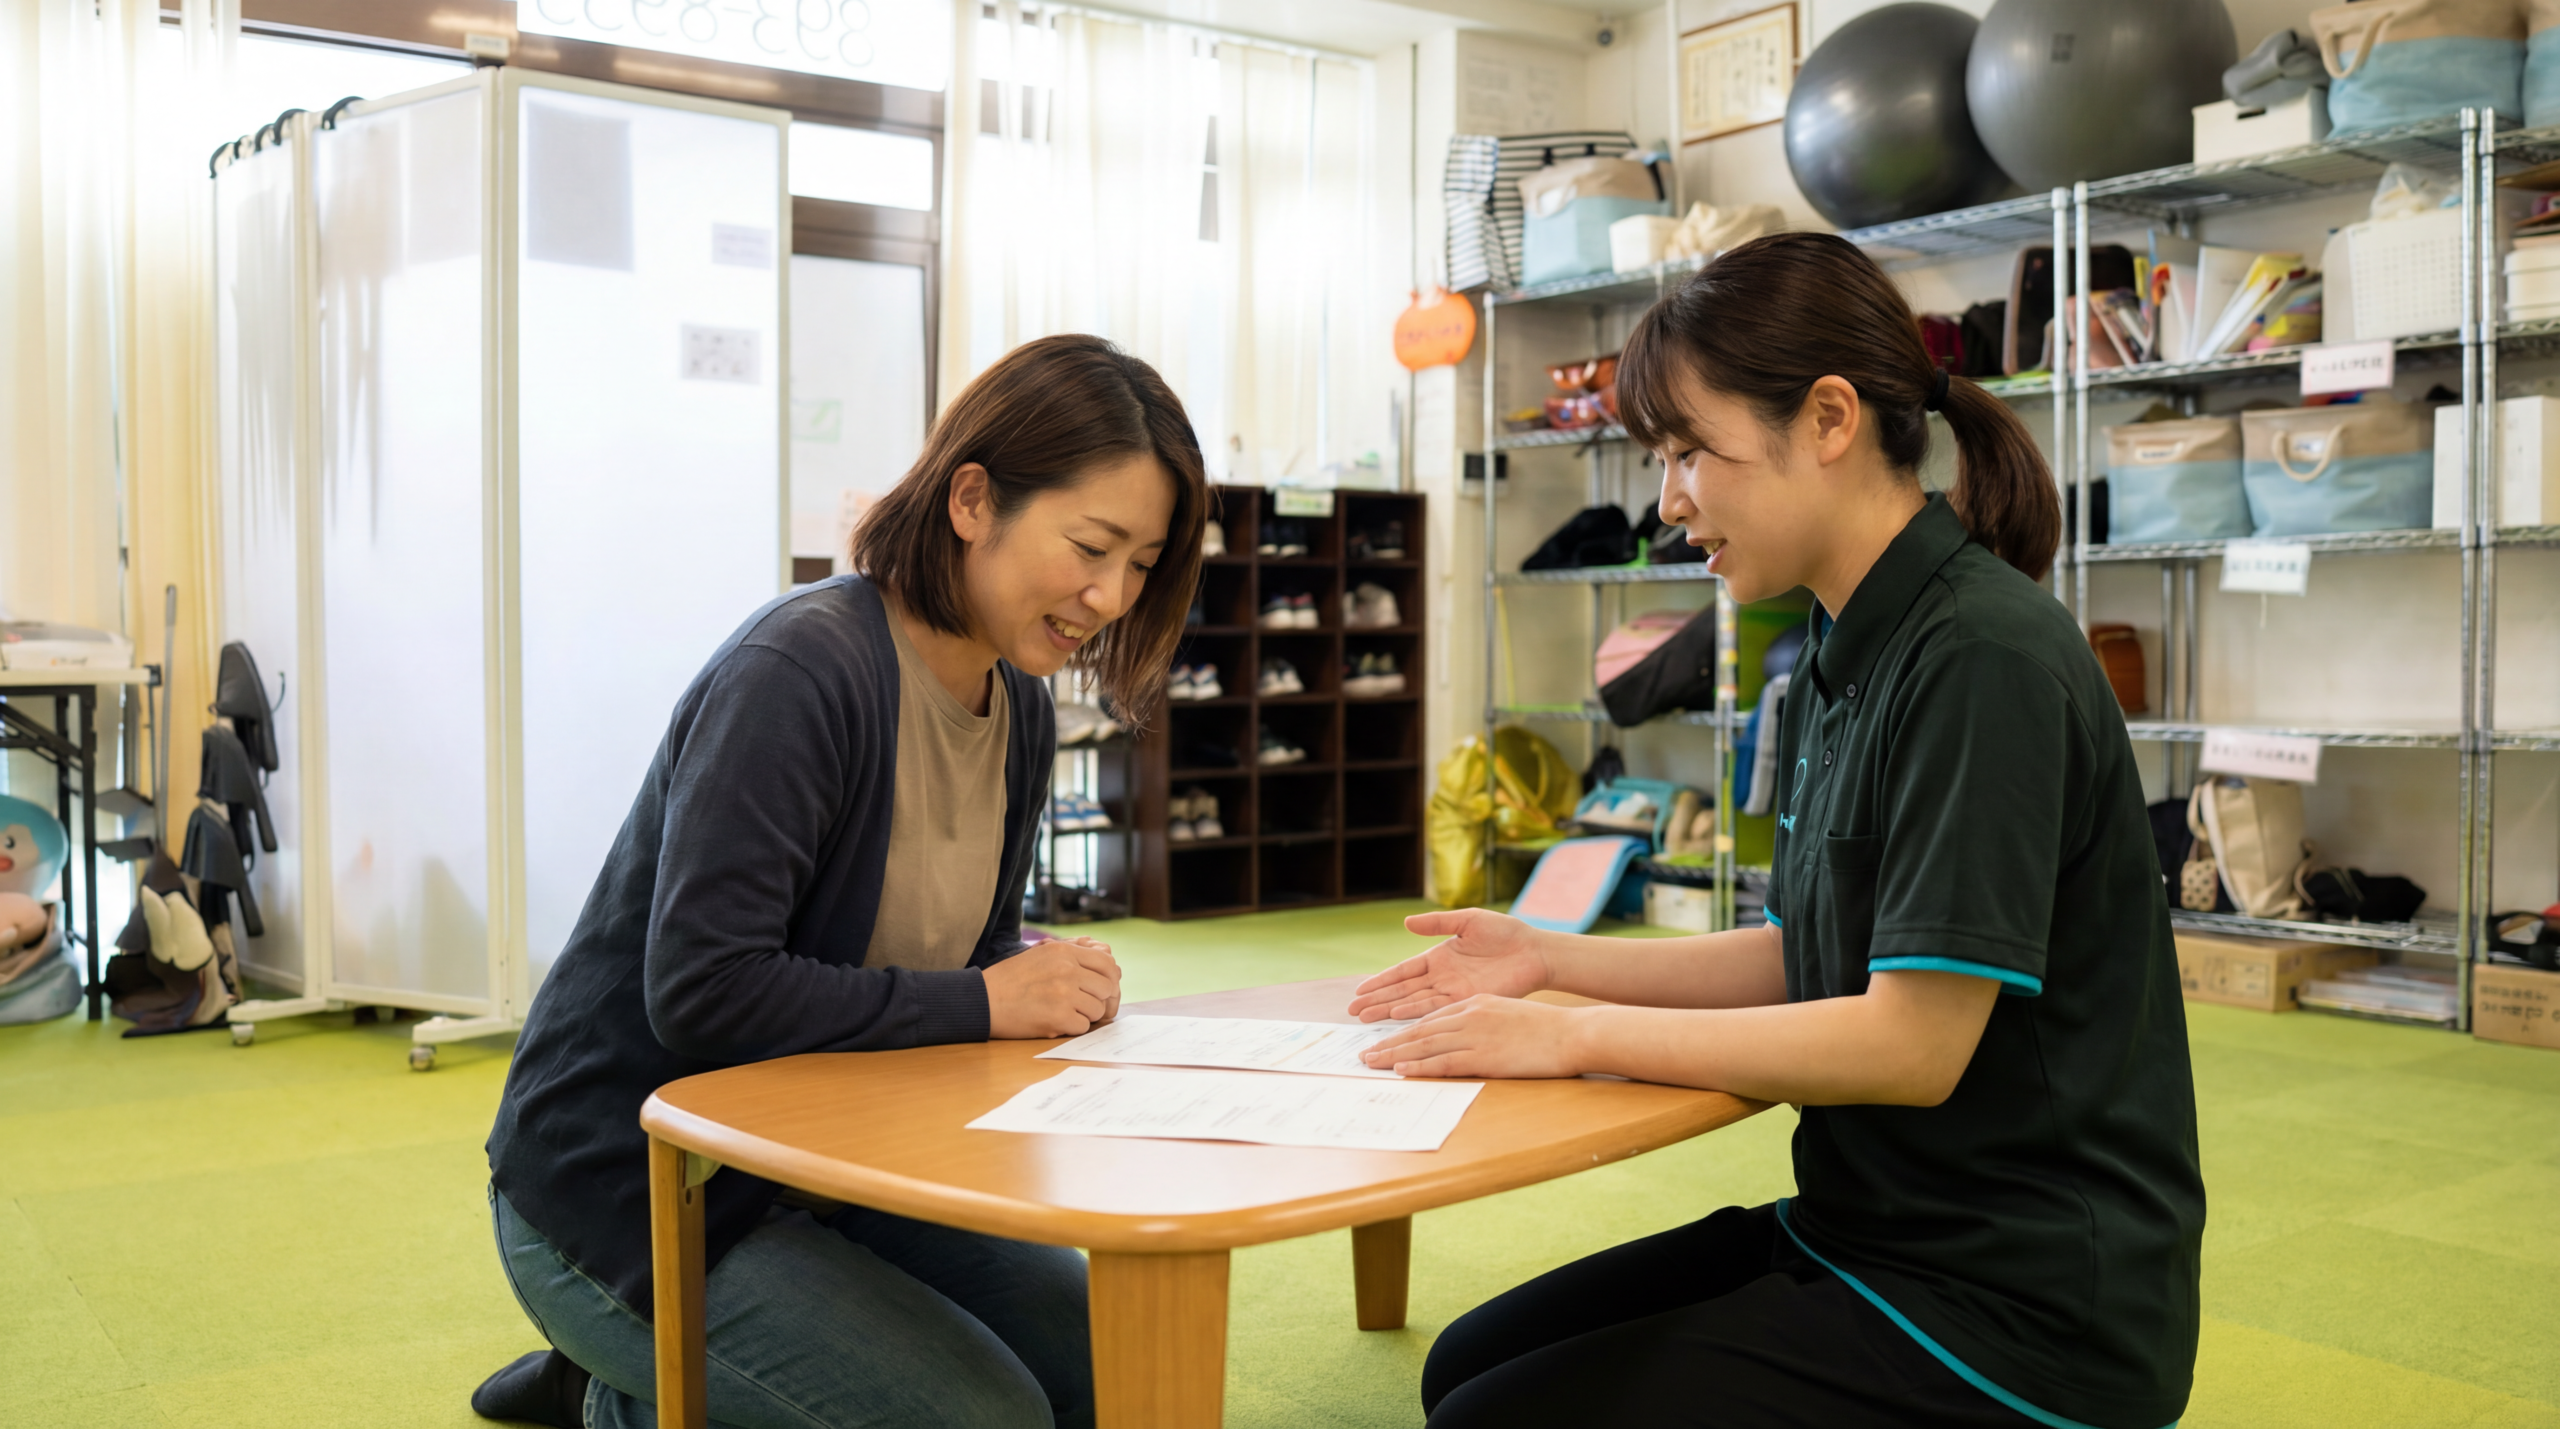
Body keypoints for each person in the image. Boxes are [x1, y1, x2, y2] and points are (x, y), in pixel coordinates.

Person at [1353, 233, 2205, 1429]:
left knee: (1487, 1419)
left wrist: (1577, 1036)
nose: (1668, 501)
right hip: (1867, 1233)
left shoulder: (1980, 657)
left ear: (1829, 417)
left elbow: (1911, 1045)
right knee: (1466, 1367)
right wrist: (1548, 959)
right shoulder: (1830, 657)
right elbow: (1804, 951)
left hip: (2019, 1310)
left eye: (1690, 448)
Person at [470, 334, 1209, 1429]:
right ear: (972, 500)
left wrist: (1033, 975)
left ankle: (656, 1372)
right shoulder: (802, 669)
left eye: (1142, 563)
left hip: (826, 1167)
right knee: (988, 1421)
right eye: (1093, 545)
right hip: (631, 1190)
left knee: (1115, 1368)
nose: (1111, 594)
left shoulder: (1022, 710)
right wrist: (984, 998)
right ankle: (622, 1390)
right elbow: (704, 990)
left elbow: (966, 956)